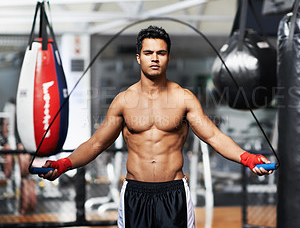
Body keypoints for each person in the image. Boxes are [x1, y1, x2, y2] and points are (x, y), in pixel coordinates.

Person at [39, 25, 273, 228]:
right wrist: (63, 164)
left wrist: (248, 158)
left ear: (168, 57)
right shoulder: (124, 101)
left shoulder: (184, 99)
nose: (154, 58)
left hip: (173, 193)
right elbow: (97, 143)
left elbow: (213, 136)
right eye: (148, 52)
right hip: (134, 193)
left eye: (161, 53)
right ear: (138, 57)